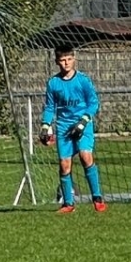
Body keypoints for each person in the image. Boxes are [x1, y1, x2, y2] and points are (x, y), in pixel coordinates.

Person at [43, 45, 104, 214]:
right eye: (62, 60)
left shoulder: (83, 80)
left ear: (74, 59)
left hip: (83, 123)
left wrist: (83, 121)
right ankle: (68, 204)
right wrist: (45, 125)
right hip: (63, 126)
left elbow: (93, 103)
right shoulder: (53, 83)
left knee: (86, 156)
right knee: (64, 165)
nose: (66, 63)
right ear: (57, 61)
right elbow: (49, 107)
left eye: (69, 59)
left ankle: (97, 198)